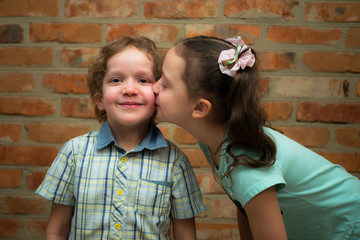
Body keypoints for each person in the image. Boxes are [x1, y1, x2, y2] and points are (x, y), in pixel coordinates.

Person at [152, 35, 360, 240]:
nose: (153, 87)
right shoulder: (214, 142)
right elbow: (244, 204)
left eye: (165, 84)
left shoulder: (247, 165)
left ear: (199, 108)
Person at [36, 36, 206, 240]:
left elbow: (186, 236)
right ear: (100, 100)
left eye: (143, 80)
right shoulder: (74, 153)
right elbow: (56, 232)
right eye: (116, 80)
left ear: (158, 94)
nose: (130, 89)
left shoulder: (175, 163)